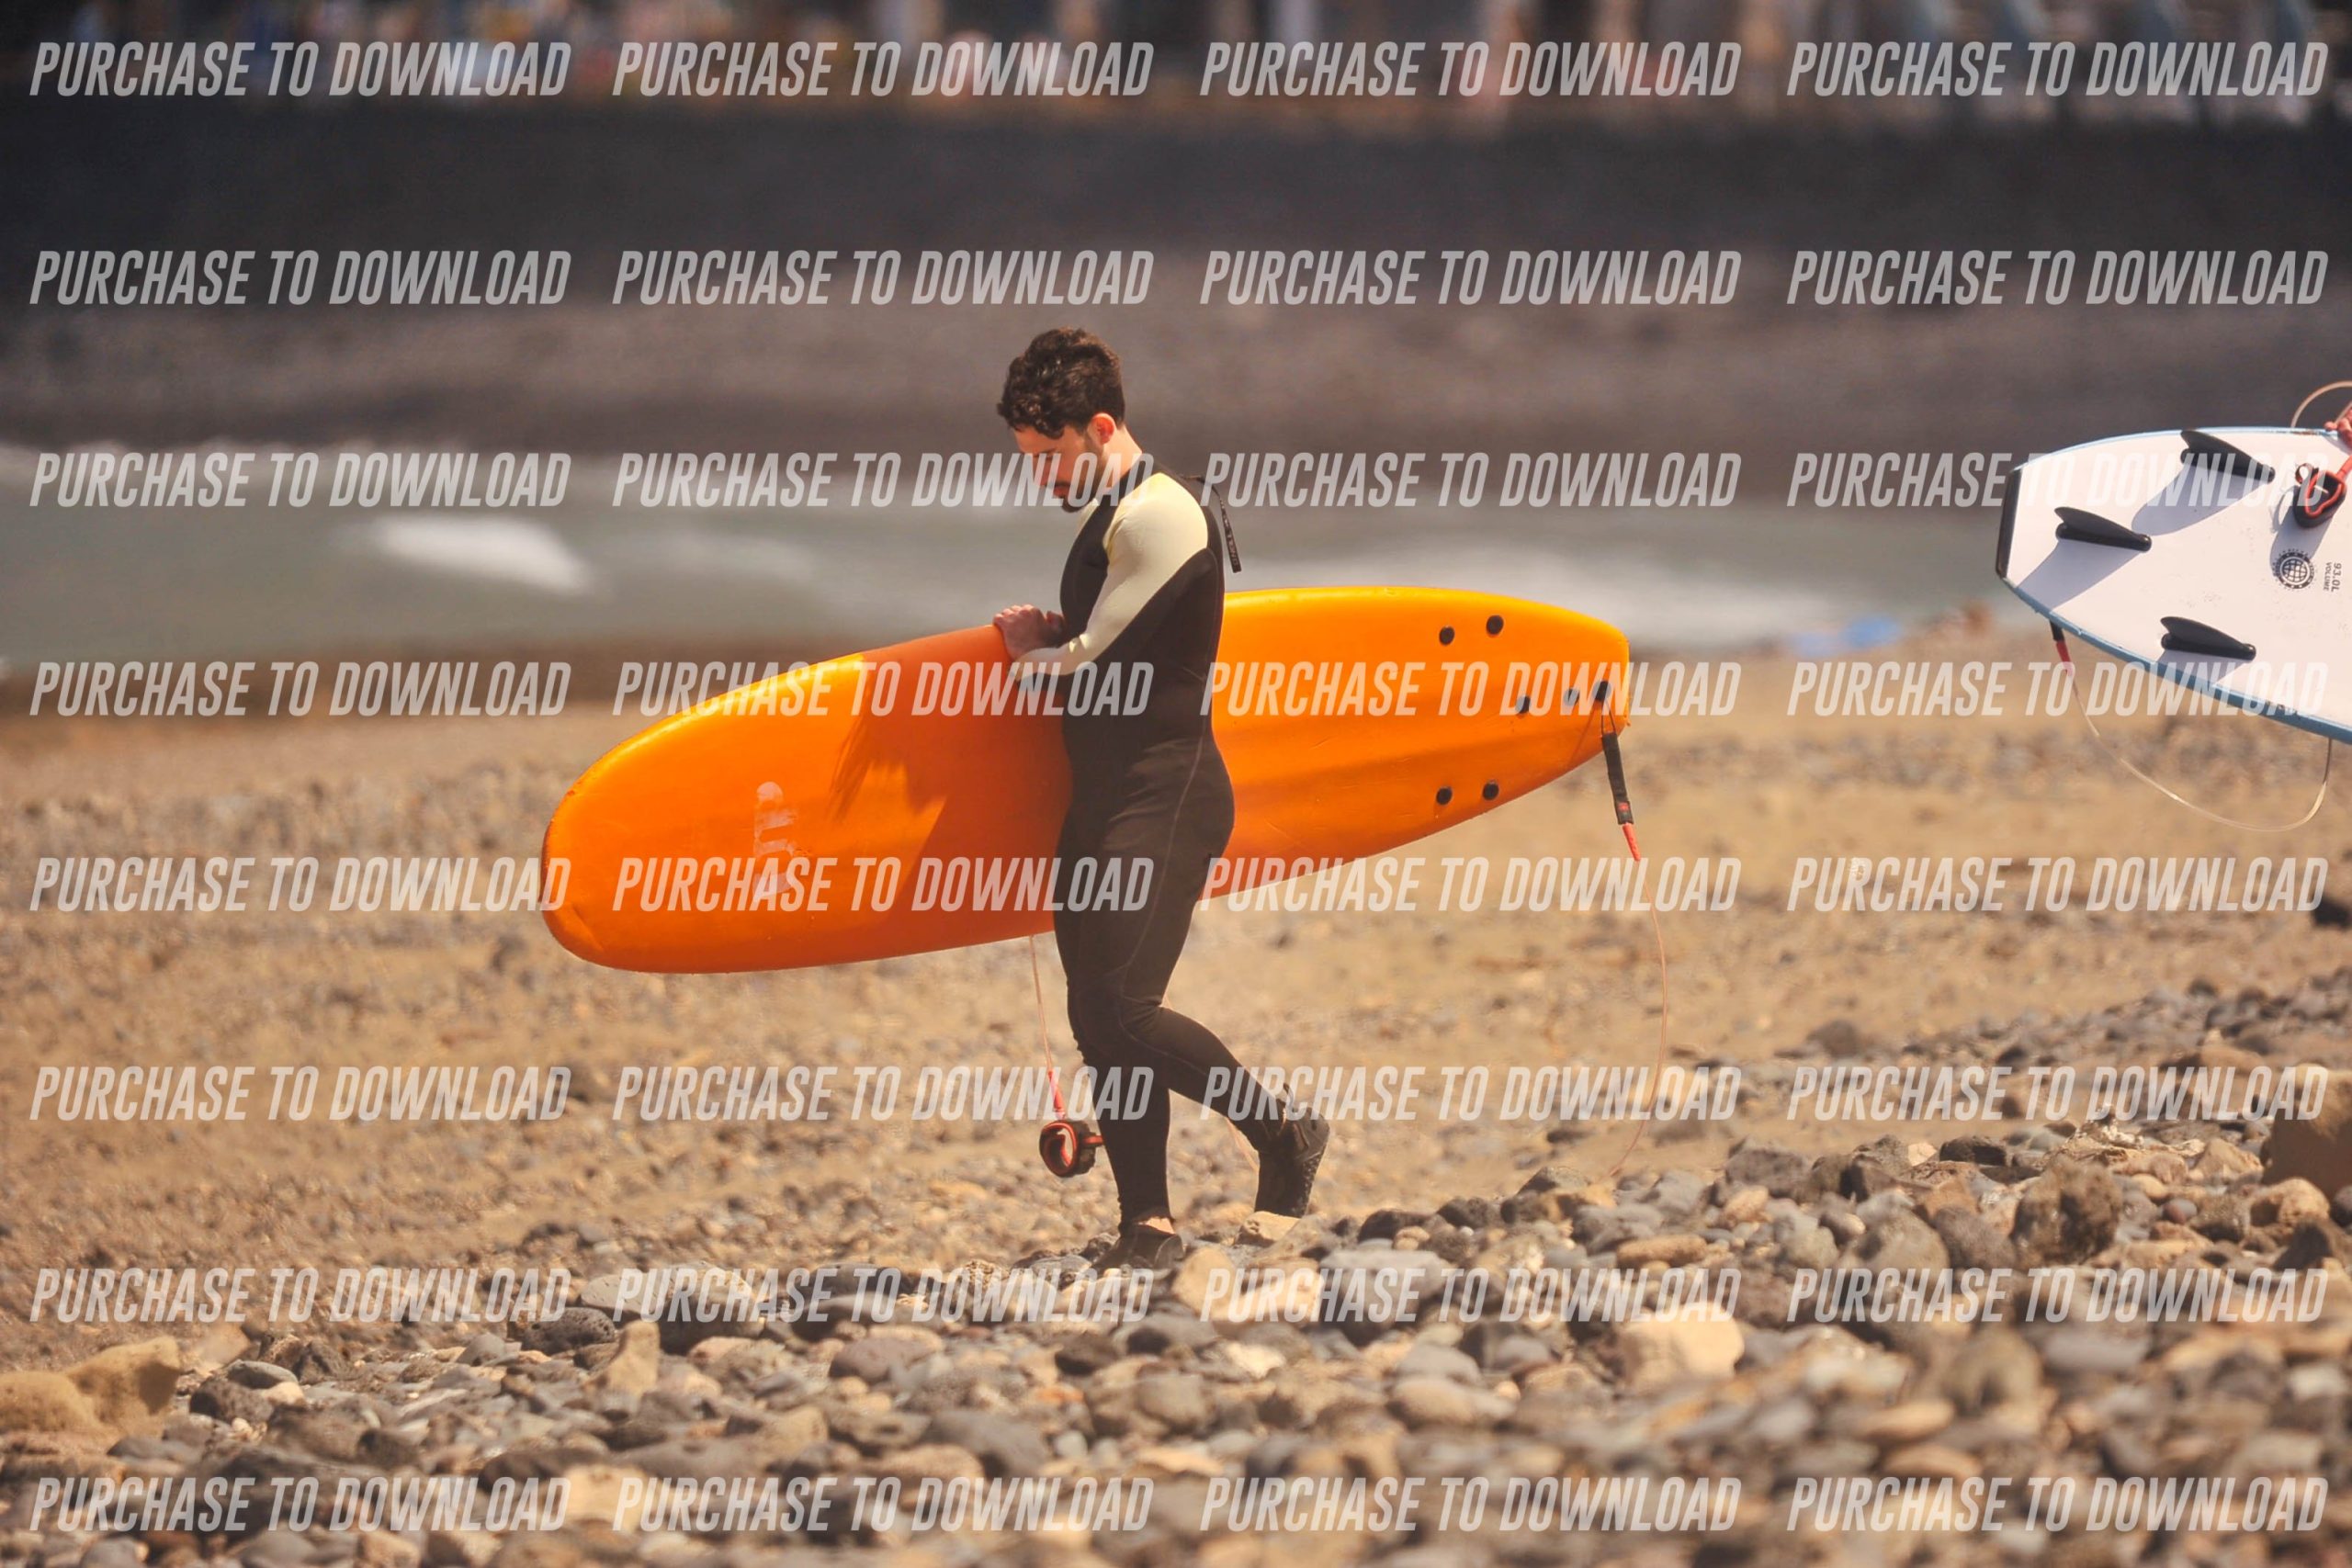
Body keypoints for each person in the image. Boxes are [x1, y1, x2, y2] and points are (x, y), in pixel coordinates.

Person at [990, 327, 1329, 1269]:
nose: (1041, 477)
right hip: (1103, 795)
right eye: (1028, 458)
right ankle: (1147, 1224)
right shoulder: (1114, 515)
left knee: (1125, 1009)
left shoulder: (1157, 514)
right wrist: (1062, 634)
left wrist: (1031, 653)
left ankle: (1283, 1133)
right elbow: (1115, 639)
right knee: (1096, 1021)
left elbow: (1086, 664)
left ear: (1101, 428)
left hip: (1166, 794)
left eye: (1050, 455)